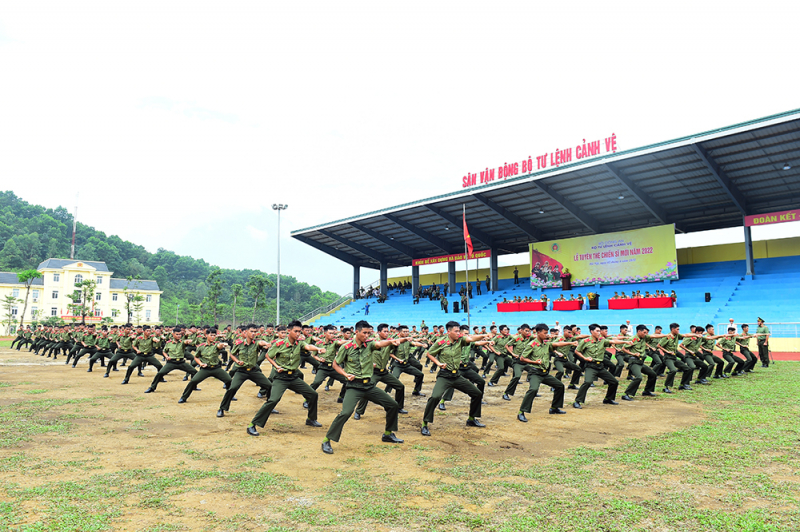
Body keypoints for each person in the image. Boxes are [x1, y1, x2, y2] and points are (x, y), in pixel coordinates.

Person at [322, 320, 403, 454]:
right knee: (346, 413)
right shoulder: (346, 348)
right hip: (354, 386)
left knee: (392, 405)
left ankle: (388, 434)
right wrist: (345, 374)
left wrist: (392, 341)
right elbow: (335, 364)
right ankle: (327, 440)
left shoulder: (369, 345)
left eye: (368, 333)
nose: (366, 335)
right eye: (364, 333)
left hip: (369, 386)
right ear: (356, 332)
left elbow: (379, 343)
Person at [247, 320, 326, 436]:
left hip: (293, 377)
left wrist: (317, 349)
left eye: (299, 331)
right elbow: (268, 355)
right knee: (273, 400)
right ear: (289, 331)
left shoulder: (300, 343)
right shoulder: (279, 344)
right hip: (281, 378)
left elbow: (308, 346)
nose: (298, 334)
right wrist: (276, 366)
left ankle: (311, 419)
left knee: (313, 394)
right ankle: (253, 424)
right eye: (295, 331)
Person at [421, 321, 490, 436]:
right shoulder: (441, 342)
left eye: (459, 331)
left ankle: (471, 419)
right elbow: (430, 353)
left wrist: (484, 336)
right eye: (456, 331)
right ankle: (425, 423)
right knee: (435, 397)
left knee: (477, 393)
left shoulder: (460, 340)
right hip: (444, 376)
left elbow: (471, 338)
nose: (458, 333)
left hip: (456, 376)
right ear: (449, 331)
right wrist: (438, 363)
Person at [516, 323, 573, 421]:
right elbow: (522, 358)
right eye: (545, 333)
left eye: (547, 333)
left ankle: (554, 408)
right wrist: (534, 362)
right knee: (533, 389)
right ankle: (521, 412)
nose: (547, 335)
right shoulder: (532, 344)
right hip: (535, 373)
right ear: (538, 333)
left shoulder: (546, 344)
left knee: (560, 386)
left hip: (544, 373)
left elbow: (557, 344)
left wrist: (570, 343)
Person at [572, 324, 630, 409]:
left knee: (614, 382)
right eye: (597, 331)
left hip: (600, 367)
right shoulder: (585, 341)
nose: (599, 333)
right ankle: (577, 401)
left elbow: (613, 341)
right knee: (587, 382)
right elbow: (577, 351)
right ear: (592, 331)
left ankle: (608, 399)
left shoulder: (602, 340)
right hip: (591, 366)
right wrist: (584, 358)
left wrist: (625, 342)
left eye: (599, 331)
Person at [179, 328, 231, 404]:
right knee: (193, 381)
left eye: (214, 335)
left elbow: (219, 346)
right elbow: (196, 357)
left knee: (229, 380)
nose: (213, 337)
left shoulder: (216, 344)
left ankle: (230, 396)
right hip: (205, 369)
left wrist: (223, 345)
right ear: (206, 335)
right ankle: (183, 397)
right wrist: (200, 364)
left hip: (216, 368)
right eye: (211, 335)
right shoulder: (201, 346)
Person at [144, 326, 198, 393]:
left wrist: (188, 341)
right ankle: (152, 387)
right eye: (177, 334)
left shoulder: (182, 342)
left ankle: (193, 386)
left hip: (181, 362)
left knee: (194, 372)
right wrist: (166, 356)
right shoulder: (169, 343)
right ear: (173, 334)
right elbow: (164, 351)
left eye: (180, 334)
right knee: (160, 373)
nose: (179, 336)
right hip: (171, 363)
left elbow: (186, 342)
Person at [619, 325, 666, 400]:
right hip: (634, 362)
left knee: (653, 374)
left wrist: (666, 335)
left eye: (646, 333)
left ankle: (647, 391)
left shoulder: (644, 338)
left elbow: (654, 336)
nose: (645, 334)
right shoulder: (633, 339)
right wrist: (633, 354)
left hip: (640, 362)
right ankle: (626, 394)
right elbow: (623, 349)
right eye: (644, 332)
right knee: (638, 377)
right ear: (639, 331)